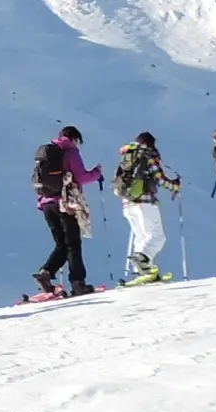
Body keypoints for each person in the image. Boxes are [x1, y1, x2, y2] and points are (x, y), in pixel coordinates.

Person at [32, 127, 104, 296]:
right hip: (65, 204)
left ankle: (46, 273)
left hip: (46, 204)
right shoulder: (70, 152)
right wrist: (97, 173)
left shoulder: (47, 153)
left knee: (61, 244)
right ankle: (78, 283)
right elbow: (82, 177)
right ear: (74, 139)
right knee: (73, 244)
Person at [115, 133, 180, 285]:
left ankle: (143, 271)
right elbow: (160, 178)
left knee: (142, 237)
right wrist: (175, 186)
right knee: (157, 236)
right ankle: (143, 260)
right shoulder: (148, 155)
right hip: (145, 201)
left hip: (127, 202)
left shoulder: (127, 156)